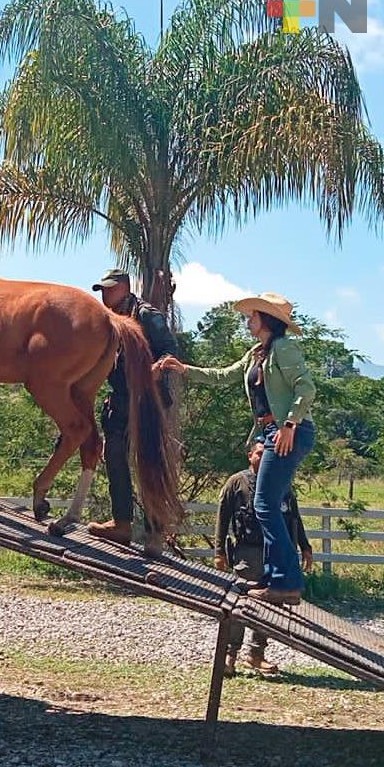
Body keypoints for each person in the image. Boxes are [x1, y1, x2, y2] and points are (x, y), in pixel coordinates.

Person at [157, 292, 317, 605]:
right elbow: (223, 376)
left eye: (252, 316)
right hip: (273, 432)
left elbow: (305, 387)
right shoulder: (256, 354)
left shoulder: (283, 348)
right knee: (267, 505)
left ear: (265, 320)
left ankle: (287, 581)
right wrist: (183, 368)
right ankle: (276, 579)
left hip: (289, 432)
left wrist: (289, 426)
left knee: (265, 505)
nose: (247, 321)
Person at [86, 268, 179, 551]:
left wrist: (157, 367)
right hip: (121, 399)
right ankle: (121, 524)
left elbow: (170, 350)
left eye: (110, 288)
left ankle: (155, 532)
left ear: (125, 287)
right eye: (102, 290)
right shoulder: (105, 320)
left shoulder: (148, 314)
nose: (105, 294)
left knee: (149, 461)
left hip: (148, 400)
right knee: (114, 455)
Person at [216, 440, 313, 675]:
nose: (262, 458)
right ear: (250, 456)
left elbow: (293, 517)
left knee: (271, 605)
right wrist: (219, 551)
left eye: (265, 454)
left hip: (276, 553)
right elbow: (223, 515)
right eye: (259, 454)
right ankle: (229, 656)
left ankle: (257, 653)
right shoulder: (237, 482)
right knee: (241, 604)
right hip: (248, 552)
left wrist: (305, 546)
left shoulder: (280, 483)